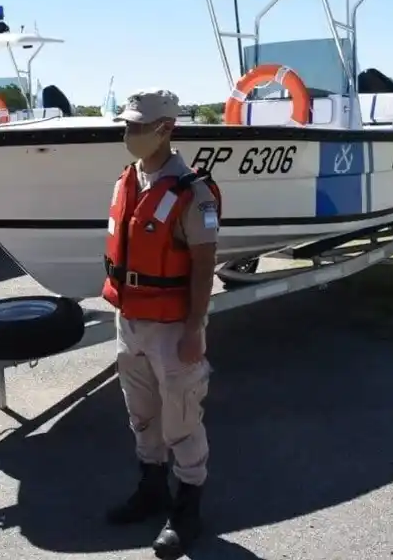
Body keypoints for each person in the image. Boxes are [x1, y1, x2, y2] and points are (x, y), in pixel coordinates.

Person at [102, 89, 220, 558]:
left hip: (172, 327)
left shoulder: (192, 191)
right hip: (129, 320)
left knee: (183, 417)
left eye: (136, 126)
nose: (128, 134)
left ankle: (188, 508)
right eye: (126, 125)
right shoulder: (127, 181)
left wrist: (195, 328)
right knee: (141, 415)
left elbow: (203, 263)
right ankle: (151, 488)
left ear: (165, 129)